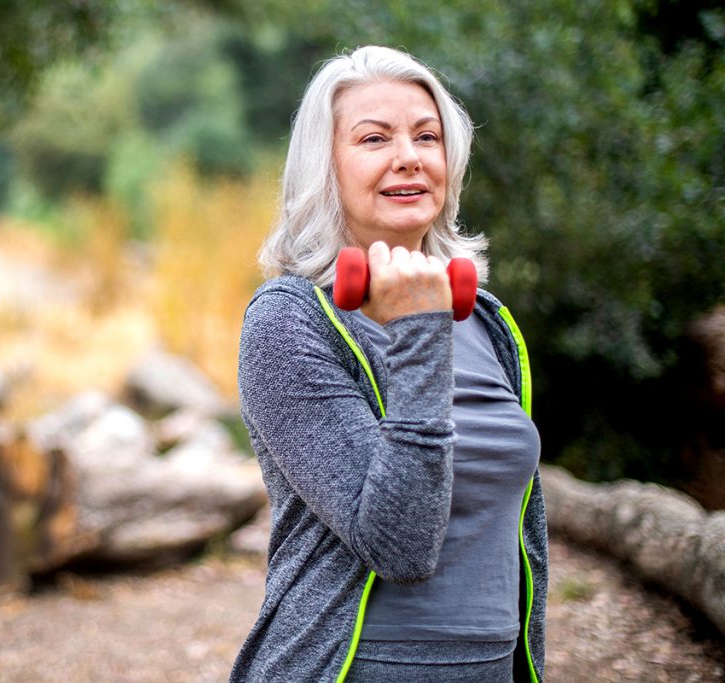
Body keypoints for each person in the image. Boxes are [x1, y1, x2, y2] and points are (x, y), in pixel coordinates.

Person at [231, 46, 548, 682]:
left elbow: (519, 542)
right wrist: (420, 330)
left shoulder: (488, 321)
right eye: (374, 138)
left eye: (426, 136)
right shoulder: (288, 322)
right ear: (325, 167)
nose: (408, 155)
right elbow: (399, 546)